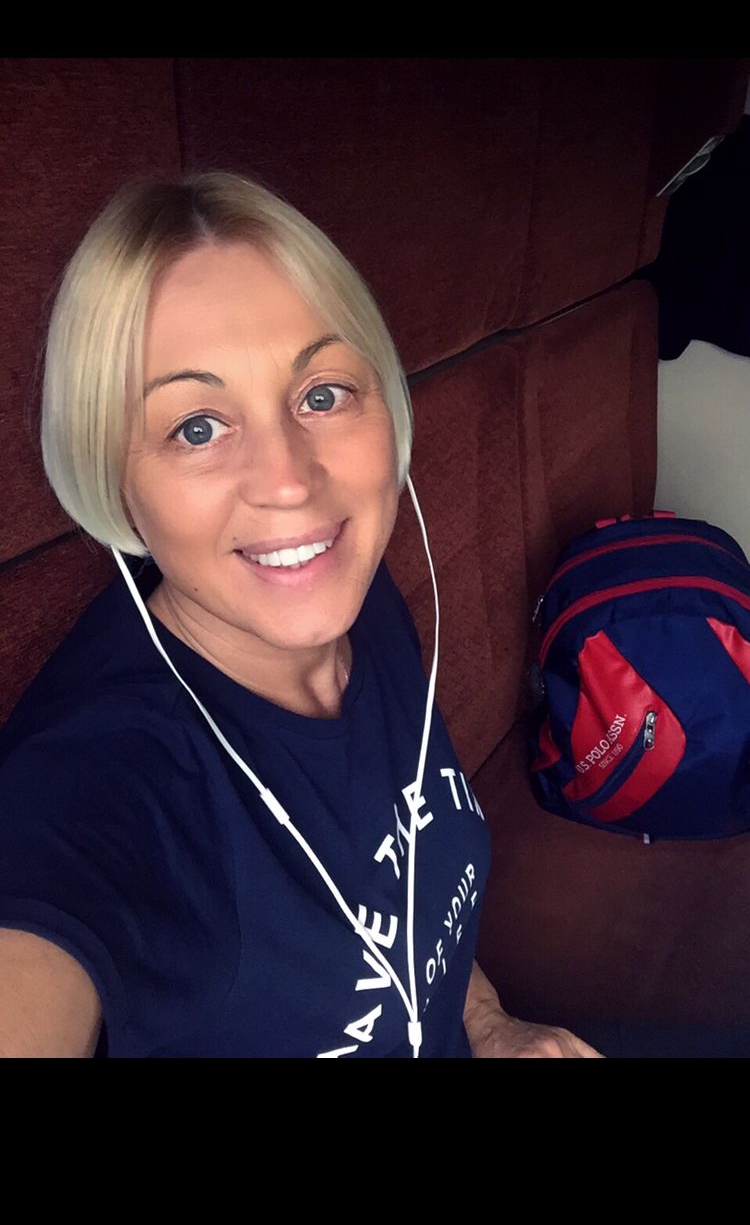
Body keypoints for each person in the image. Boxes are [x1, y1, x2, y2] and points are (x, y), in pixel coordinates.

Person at [0, 172, 602, 1058]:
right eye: (197, 427)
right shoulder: (94, 786)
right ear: (116, 484)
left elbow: (399, 910)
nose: (288, 480)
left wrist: (490, 1026)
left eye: (322, 395)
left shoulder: (360, 601)